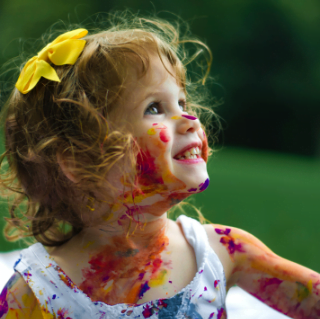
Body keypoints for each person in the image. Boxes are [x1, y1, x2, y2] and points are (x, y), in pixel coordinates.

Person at [0, 11, 319, 319]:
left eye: (182, 102)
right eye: (155, 107)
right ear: (79, 161)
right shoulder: (39, 289)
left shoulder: (218, 252)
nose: (190, 119)